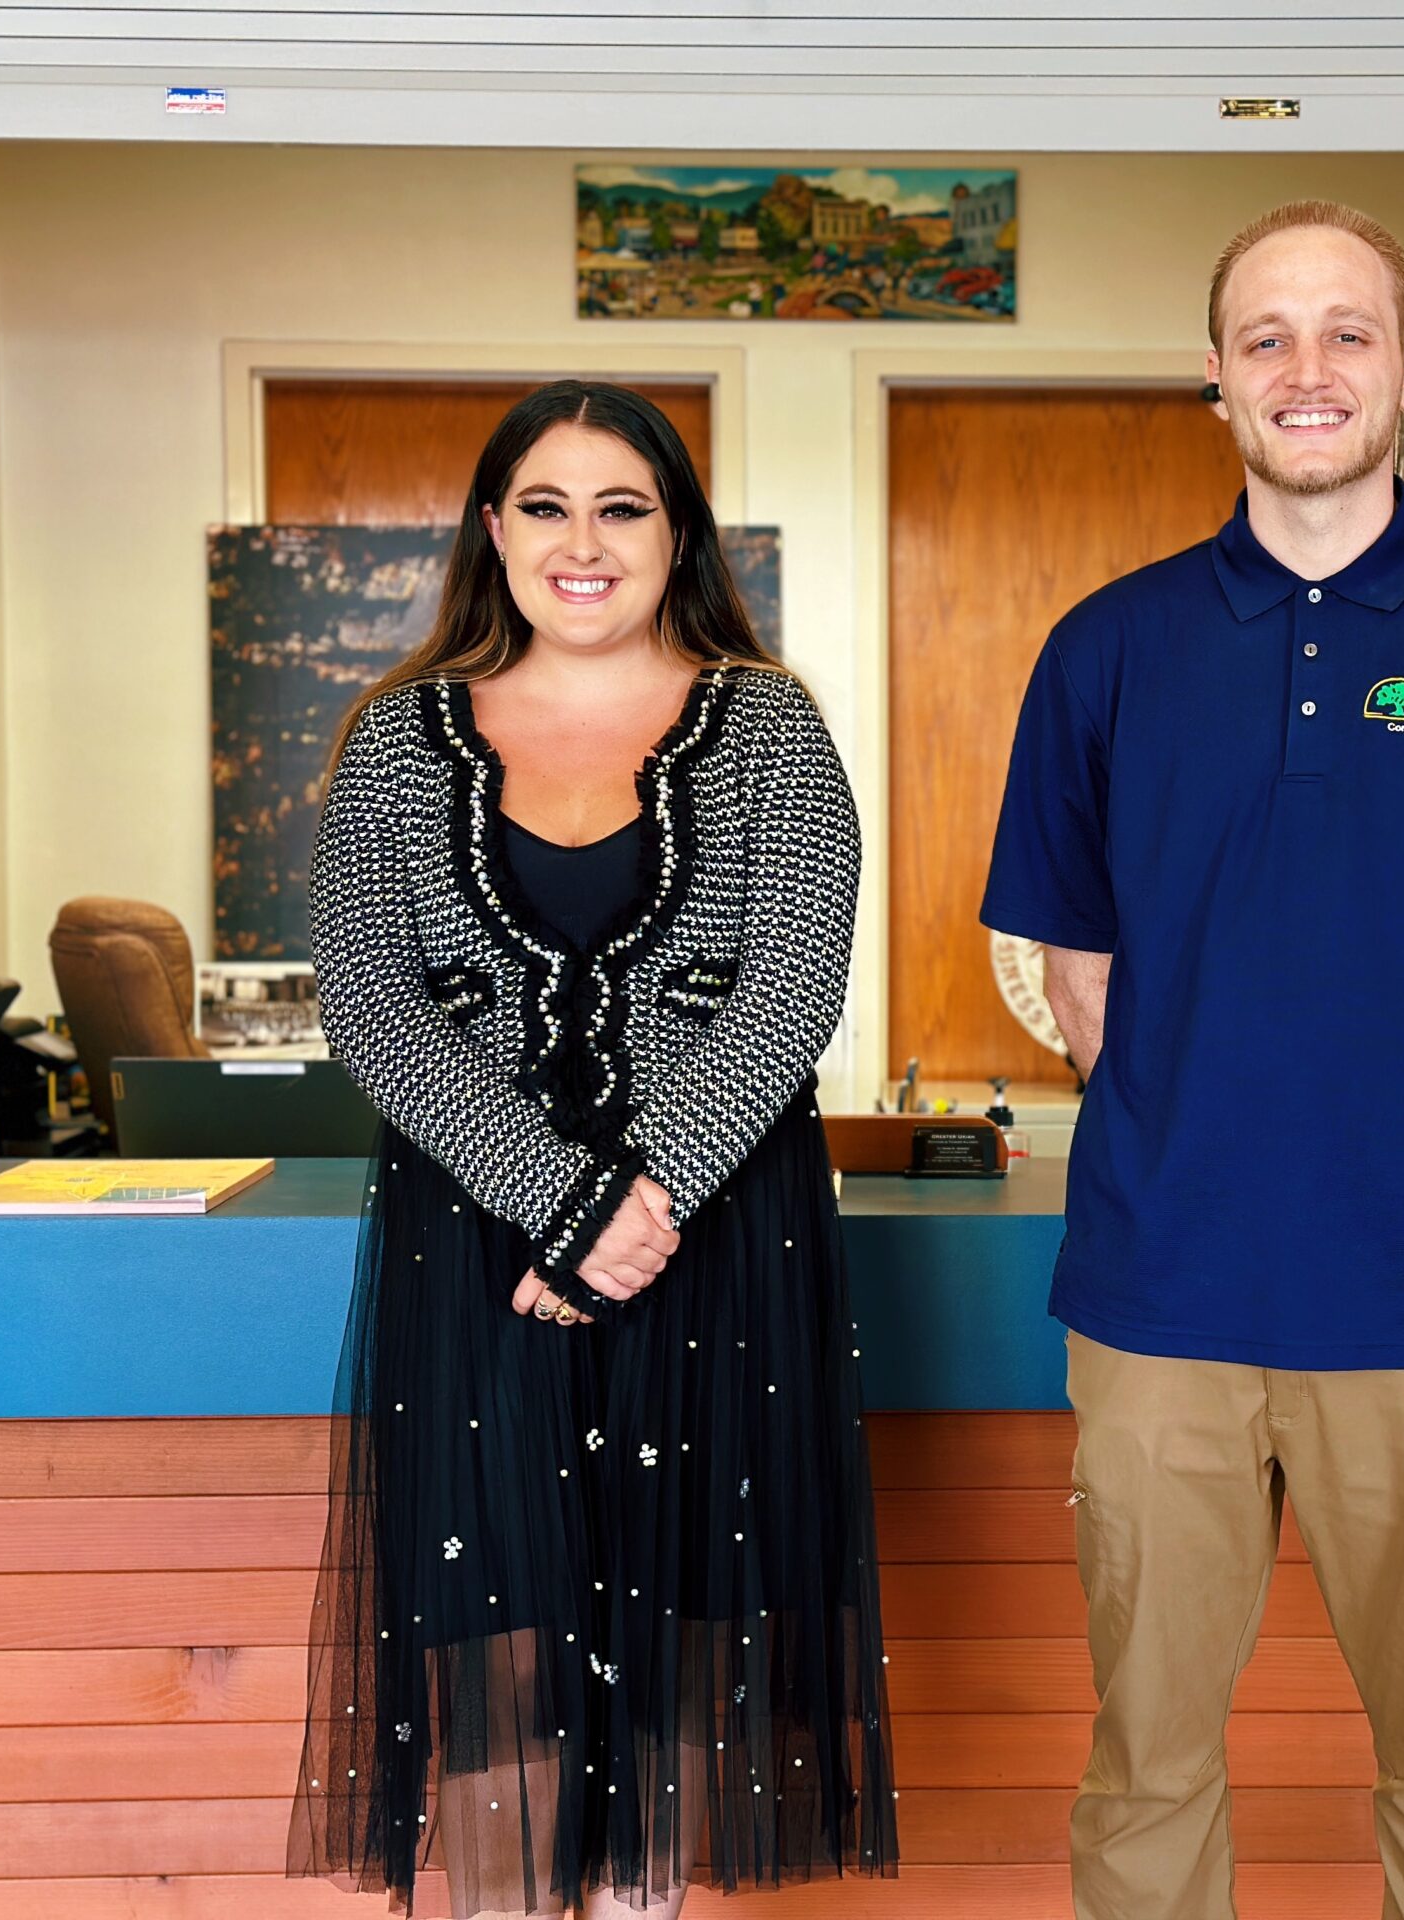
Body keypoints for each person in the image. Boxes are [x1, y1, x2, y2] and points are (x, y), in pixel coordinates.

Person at [980, 201, 1404, 1920]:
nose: (1307, 368)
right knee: (1146, 1768)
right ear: (1213, 379)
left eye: (1348, 331)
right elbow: (1079, 967)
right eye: (1266, 336)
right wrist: (1201, 1134)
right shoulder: (1104, 652)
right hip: (1157, 1302)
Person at [289, 381, 897, 1919]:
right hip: (479, 1256)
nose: (583, 543)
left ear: (675, 532)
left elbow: (793, 990)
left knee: (681, 1694)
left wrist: (643, 1203)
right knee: (497, 1663)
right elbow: (371, 1001)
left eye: (621, 507)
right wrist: (562, 1209)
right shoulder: (395, 740)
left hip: (718, 1256)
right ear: (492, 530)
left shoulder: (771, 727)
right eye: (545, 506)